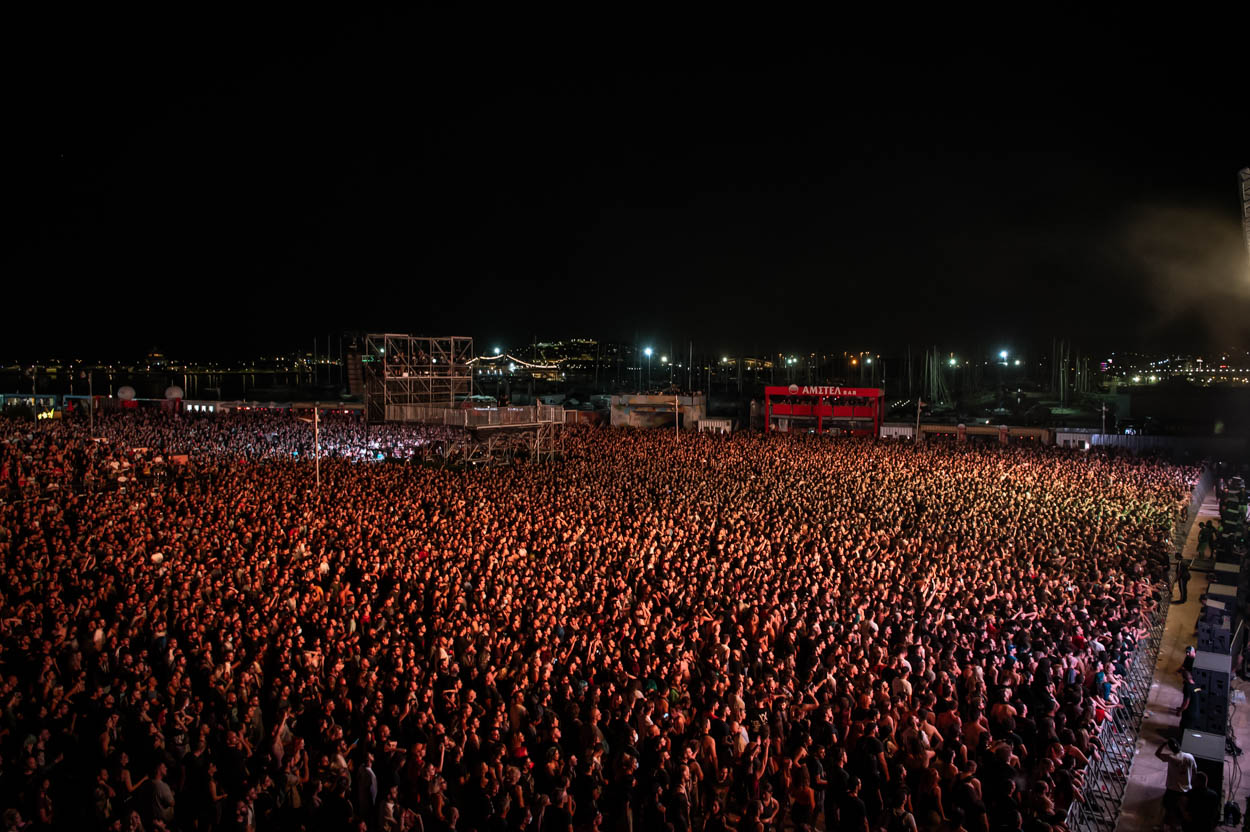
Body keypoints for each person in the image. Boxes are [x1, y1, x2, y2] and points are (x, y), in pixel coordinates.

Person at [1156, 739, 1197, 826]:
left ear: (1170, 748)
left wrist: (1163, 744)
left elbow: (1157, 754)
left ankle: (1164, 826)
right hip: (1186, 789)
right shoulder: (1190, 757)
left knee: (1168, 808)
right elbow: (1194, 771)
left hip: (1172, 789)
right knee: (1182, 811)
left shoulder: (1171, 757)